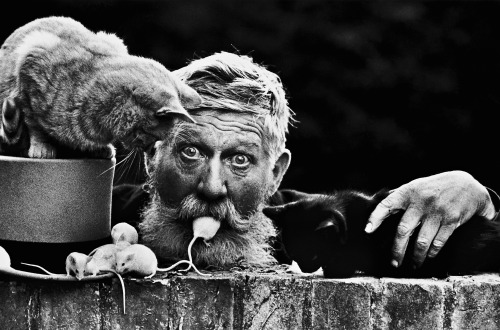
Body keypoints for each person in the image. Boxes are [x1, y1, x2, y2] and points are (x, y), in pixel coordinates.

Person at [2, 51, 499, 270]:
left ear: (275, 172)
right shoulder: (86, 216)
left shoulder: (324, 230)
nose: (213, 186)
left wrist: (477, 197)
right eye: (192, 152)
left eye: (240, 160)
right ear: (153, 154)